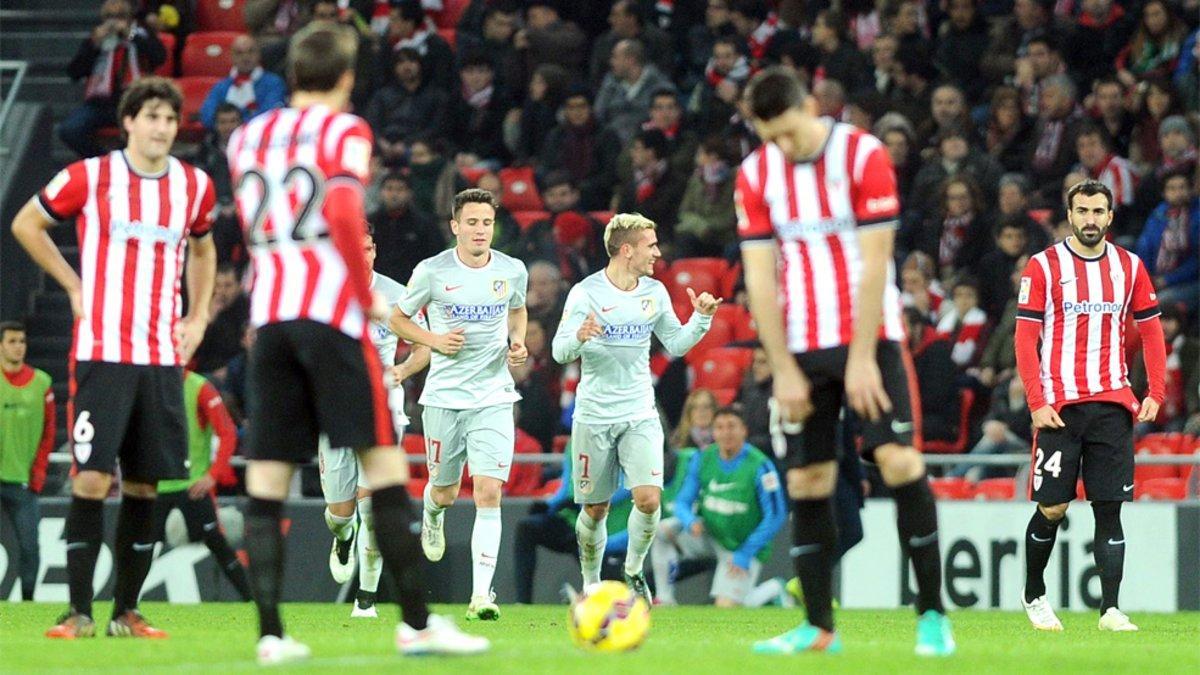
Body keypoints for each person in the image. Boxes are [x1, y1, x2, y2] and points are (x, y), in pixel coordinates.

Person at [226, 24, 487, 663]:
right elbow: (343, 209)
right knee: (386, 472)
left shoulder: (245, 136)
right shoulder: (345, 130)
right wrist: (361, 288)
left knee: (266, 480)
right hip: (332, 321)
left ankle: (270, 635)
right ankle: (419, 625)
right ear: (346, 76)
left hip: (272, 321)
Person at [734, 66, 953, 656]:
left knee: (899, 462)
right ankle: (817, 628)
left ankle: (932, 615)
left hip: (870, 338)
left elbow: (876, 262)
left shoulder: (862, 155)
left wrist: (861, 359)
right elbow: (759, 277)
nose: (780, 146)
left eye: (786, 132)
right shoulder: (756, 174)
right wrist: (781, 368)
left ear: (810, 105)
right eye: (768, 136)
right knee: (808, 479)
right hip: (801, 347)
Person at [14, 76, 217, 639]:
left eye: (170, 119)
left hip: (159, 356)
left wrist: (197, 316)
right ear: (128, 121)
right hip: (102, 351)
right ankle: (78, 611)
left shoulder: (194, 186)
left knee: (146, 485)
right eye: (151, 116)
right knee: (90, 479)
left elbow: (204, 247)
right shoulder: (92, 175)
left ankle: (125, 611)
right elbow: (26, 222)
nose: (161, 128)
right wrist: (74, 287)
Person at [1015, 179, 1166, 634]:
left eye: (1098, 212)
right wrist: (1036, 402)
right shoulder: (1043, 266)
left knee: (1109, 507)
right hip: (1059, 407)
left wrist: (1154, 391)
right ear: (1070, 214)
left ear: (1110, 216)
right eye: (1082, 211)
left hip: (1113, 403)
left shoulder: (1130, 267)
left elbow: (1153, 331)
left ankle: (1111, 610)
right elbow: (1025, 337)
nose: (1090, 220)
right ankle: (1034, 593)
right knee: (1053, 508)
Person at [551, 212, 719, 605]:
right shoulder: (585, 293)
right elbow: (560, 352)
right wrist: (578, 336)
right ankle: (591, 581)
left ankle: (632, 570)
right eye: (651, 245)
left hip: (640, 411)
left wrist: (702, 319)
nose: (658, 253)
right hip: (593, 414)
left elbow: (675, 344)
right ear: (627, 250)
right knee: (596, 508)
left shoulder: (655, 292)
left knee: (648, 499)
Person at [390, 188, 529, 622]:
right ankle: (432, 513)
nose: (480, 230)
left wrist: (518, 341)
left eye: (486, 222)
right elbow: (396, 317)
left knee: (488, 491)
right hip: (444, 398)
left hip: (493, 396)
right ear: (455, 226)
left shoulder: (512, 269)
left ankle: (481, 596)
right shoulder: (432, 271)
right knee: (447, 491)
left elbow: (518, 310)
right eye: (471, 222)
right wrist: (433, 341)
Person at [318, 227, 431, 619]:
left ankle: (365, 598)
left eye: (368, 248)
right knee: (341, 514)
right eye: (355, 248)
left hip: (383, 401)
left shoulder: (398, 294)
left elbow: (423, 346)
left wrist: (402, 370)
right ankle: (342, 539)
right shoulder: (325, 291)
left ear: (374, 250)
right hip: (334, 403)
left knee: (372, 505)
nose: (362, 255)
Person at [652, 407, 787, 607]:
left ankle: (773, 590)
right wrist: (690, 520)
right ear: (714, 432)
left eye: (732, 426)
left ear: (744, 430)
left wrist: (745, 553)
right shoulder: (703, 458)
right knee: (662, 531)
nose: (726, 433)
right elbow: (682, 502)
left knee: (726, 608)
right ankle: (665, 598)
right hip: (709, 534)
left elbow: (776, 514)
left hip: (740, 546)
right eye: (720, 427)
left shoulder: (760, 465)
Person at [154, 370, 249, 601]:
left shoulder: (199, 387)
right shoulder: (150, 381)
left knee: (217, 543)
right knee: (143, 546)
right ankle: (125, 606)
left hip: (192, 485)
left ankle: (252, 600)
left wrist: (212, 475)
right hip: (157, 484)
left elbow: (227, 432)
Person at [513, 448, 632, 605]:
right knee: (526, 528)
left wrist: (585, 499)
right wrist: (549, 505)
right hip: (571, 521)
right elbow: (566, 484)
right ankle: (523, 603)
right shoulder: (573, 442)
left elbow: (629, 485)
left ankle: (595, 597)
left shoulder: (621, 436)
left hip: (607, 530)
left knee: (615, 591)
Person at [60, 0, 166, 158]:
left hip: (134, 101)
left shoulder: (141, 34)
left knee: (139, 131)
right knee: (70, 130)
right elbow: (74, 73)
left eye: (119, 17)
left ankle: (125, 162)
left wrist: (129, 35)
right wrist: (93, 45)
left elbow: (159, 57)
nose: (114, 22)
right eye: (110, 17)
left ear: (129, 18)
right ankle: (104, 161)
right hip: (101, 103)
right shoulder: (96, 40)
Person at [0, 322, 55, 602]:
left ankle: (28, 601)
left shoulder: (42, 383)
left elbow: (49, 431)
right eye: (11, 341)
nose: (18, 346)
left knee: (30, 547)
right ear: (1, 345)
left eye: (21, 341)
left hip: (22, 480)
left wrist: (39, 471)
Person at [199, 34, 287, 130]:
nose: (245, 57)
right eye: (239, 53)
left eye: (250, 52)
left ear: (259, 54)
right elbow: (206, 117)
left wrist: (232, 125)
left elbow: (270, 116)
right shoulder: (221, 87)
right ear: (231, 57)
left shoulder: (274, 83)